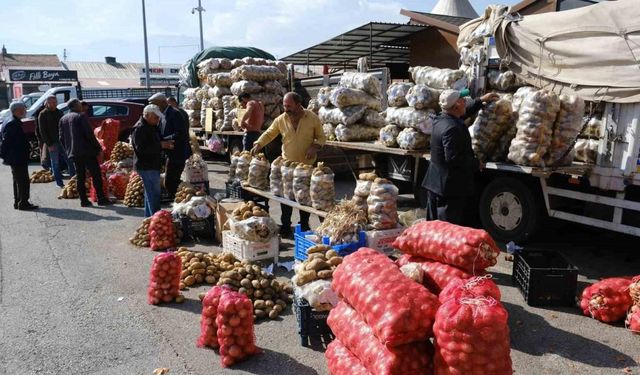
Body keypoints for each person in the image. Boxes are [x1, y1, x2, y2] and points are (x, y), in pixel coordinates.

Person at [251, 92, 325, 235]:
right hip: (287, 167)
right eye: (284, 106)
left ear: (298, 104)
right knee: (286, 197)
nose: (286, 108)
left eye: (289, 106)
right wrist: (259, 143)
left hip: (306, 167)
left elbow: (321, 137)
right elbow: (270, 133)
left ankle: (304, 225)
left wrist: (314, 146)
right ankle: (286, 225)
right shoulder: (281, 119)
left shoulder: (312, 118)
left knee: (304, 198)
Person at [422, 89, 499, 224]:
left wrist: (480, 101)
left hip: (435, 184)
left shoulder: (440, 119)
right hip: (449, 189)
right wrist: (476, 164)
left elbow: (463, 113)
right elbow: (453, 159)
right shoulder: (452, 129)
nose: (465, 102)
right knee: (446, 229)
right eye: (463, 100)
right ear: (456, 106)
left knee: (432, 228)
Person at [59, 98, 111, 207]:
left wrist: (68, 149)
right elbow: (89, 135)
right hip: (87, 151)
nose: (81, 106)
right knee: (95, 174)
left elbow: (61, 138)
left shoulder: (63, 119)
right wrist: (98, 149)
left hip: (74, 152)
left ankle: (83, 200)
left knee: (80, 176)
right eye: (79, 104)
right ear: (75, 106)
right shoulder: (80, 117)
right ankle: (101, 198)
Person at [132, 104, 175, 217]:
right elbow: (141, 149)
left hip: (152, 164)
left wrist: (166, 141)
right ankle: (156, 219)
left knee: (150, 194)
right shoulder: (140, 128)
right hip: (146, 166)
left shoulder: (152, 126)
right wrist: (161, 145)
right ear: (147, 115)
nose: (158, 119)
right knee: (154, 194)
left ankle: (149, 219)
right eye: (156, 117)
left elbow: (157, 140)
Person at [148, 92, 190, 200]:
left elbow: (181, 133)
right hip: (168, 153)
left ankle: (178, 200)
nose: (153, 107)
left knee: (170, 181)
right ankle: (178, 199)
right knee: (171, 180)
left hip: (177, 153)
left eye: (155, 104)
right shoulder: (162, 114)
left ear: (162, 102)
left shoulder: (175, 113)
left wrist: (164, 140)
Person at [0, 102, 38, 210]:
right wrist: (4, 154)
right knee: (23, 182)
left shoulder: (11, 120)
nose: (25, 111)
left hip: (16, 157)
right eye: (23, 109)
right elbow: (6, 141)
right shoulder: (12, 123)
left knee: (17, 181)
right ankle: (23, 203)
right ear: (17, 111)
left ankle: (18, 202)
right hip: (17, 157)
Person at [38, 96, 75, 187]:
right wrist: (49, 144)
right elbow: (42, 131)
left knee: (69, 160)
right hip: (52, 142)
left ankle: (74, 181)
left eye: (55, 102)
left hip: (63, 141)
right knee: (55, 163)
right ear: (47, 103)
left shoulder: (59, 112)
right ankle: (59, 183)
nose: (55, 104)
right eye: (53, 103)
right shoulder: (42, 114)